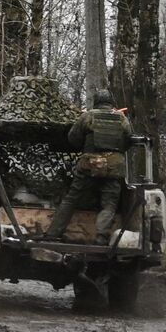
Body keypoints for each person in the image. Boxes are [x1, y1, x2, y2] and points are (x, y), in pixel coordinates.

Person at [44, 89, 132, 245]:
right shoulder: (122, 119)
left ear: (96, 102)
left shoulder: (87, 116)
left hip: (88, 165)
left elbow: (73, 138)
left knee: (72, 198)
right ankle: (101, 237)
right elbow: (128, 141)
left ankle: (53, 233)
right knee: (109, 204)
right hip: (114, 167)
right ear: (111, 102)